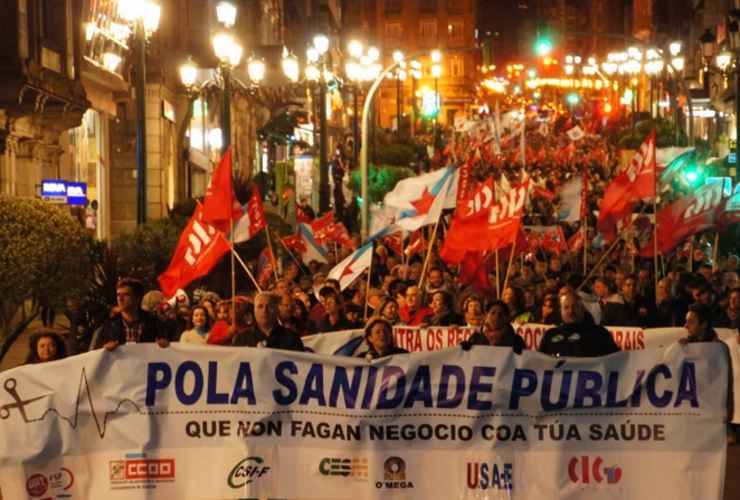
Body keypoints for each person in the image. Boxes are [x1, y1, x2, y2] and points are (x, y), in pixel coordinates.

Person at [92, 278, 169, 351]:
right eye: (118, 295)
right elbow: (96, 355)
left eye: (125, 295)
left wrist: (163, 344)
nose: (120, 299)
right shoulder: (108, 326)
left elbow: (168, 351)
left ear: (137, 298)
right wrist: (105, 348)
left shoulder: (154, 324)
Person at [539, 292, 619, 357]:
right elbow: (539, 361)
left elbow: (615, 360)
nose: (571, 311)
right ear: (561, 310)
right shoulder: (551, 335)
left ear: (582, 309)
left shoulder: (600, 334)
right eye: (566, 307)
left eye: (575, 307)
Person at [233, 292, 305, 351]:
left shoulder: (291, 338)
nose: (264, 310)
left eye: (270, 306)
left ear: (277, 310)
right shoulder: (243, 338)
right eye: (260, 306)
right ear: (254, 311)